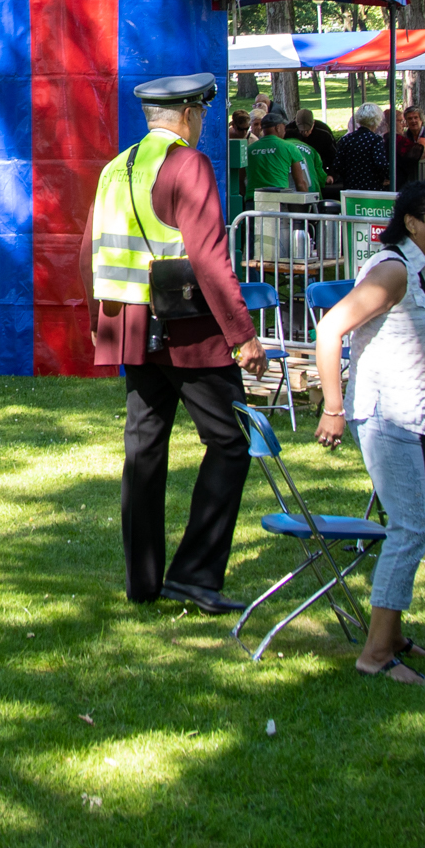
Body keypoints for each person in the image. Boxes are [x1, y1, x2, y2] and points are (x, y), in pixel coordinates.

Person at [89, 74, 266, 614]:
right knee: (230, 444)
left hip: (129, 327)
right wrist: (243, 335)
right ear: (189, 114)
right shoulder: (188, 164)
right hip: (188, 331)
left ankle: (142, 582)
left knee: (143, 451)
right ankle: (193, 575)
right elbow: (210, 256)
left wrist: (103, 324)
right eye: (202, 113)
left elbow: (87, 253)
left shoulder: (115, 167)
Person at [312, 178, 425, 683]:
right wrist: (333, 408)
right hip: (384, 414)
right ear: (411, 222)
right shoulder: (393, 271)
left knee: (412, 526)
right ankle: (376, 654)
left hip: (415, 412)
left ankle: (393, 635)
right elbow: (329, 328)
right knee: (412, 528)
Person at [339, 104, 394, 193]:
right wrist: (387, 177)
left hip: (350, 187)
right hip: (372, 187)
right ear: (378, 120)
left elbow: (338, 165)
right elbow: (381, 163)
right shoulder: (375, 139)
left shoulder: (346, 139)